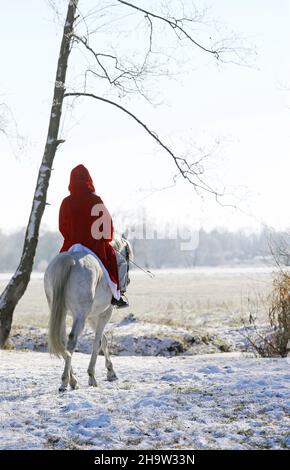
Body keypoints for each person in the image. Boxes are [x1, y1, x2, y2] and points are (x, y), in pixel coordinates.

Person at [59, 164, 129, 308]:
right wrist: (106, 239)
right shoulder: (96, 200)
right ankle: (119, 295)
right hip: (94, 247)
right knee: (121, 261)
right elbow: (107, 226)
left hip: (71, 246)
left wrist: (71, 238)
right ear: (88, 179)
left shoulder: (66, 202)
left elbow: (62, 227)